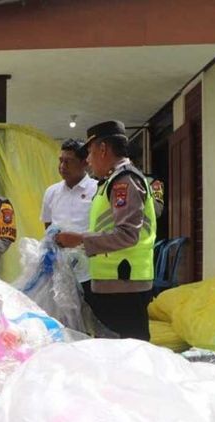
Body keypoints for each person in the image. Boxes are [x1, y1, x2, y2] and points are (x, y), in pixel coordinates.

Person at [56, 120, 156, 341]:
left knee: (131, 351)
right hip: (114, 281)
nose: (89, 161)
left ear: (103, 149)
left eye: (90, 152)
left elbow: (128, 234)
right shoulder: (110, 182)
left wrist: (79, 240)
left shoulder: (124, 182)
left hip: (125, 282)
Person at [40, 138, 98, 296]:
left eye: (68, 162)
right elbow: (49, 227)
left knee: (88, 317)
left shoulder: (97, 190)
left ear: (84, 162)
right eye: (61, 161)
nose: (62, 167)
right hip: (58, 270)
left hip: (90, 271)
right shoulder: (51, 192)